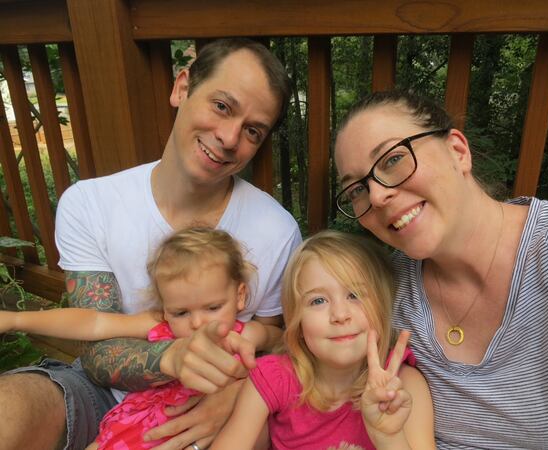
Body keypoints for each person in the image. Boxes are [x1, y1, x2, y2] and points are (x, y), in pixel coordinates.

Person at [0, 38, 302, 450]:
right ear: (182, 88)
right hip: (101, 392)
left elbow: (280, 340)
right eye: (221, 106)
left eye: (252, 130)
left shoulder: (276, 230)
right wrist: (171, 358)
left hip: (218, 406)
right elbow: (95, 342)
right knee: (8, 410)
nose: (230, 137)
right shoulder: (90, 203)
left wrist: (240, 395)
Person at [333, 89, 548, 448]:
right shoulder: (386, 290)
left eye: (393, 159)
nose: (377, 196)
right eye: (356, 189)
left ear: (457, 152)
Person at [1, 227, 281, 449]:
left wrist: (248, 372)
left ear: (240, 295)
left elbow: (285, 343)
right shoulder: (162, 324)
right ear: (165, 308)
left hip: (205, 432)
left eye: (213, 308)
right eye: (181, 311)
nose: (197, 322)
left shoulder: (245, 334)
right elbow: (94, 322)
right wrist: (15, 320)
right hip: (137, 427)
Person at [212, 230, 435, 450]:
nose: (339, 315)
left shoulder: (403, 384)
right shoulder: (274, 378)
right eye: (318, 301)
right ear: (297, 322)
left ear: (383, 307)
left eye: (354, 295)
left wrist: (389, 438)